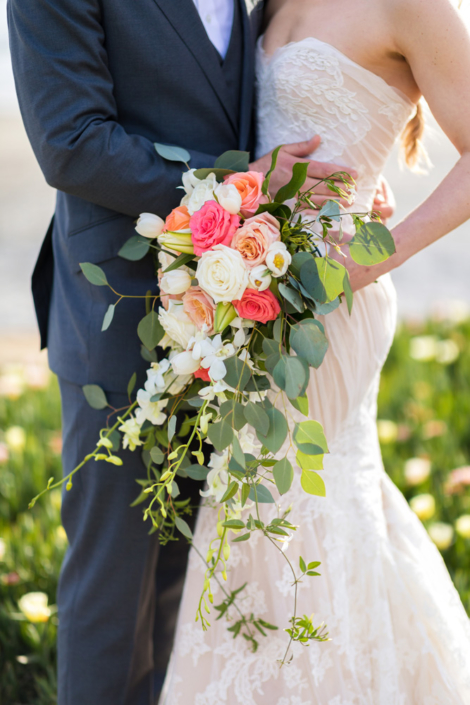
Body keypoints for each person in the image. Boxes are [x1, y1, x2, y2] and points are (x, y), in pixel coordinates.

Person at [7, 0, 393, 703]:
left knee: (188, 608)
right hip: (118, 320)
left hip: (242, 329)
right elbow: (71, 141)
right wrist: (247, 186)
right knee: (113, 605)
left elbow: (247, 96)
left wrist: (339, 180)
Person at [160, 0, 470, 702]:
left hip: (334, 306)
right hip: (254, 301)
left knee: (312, 500)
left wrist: (374, 254)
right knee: (255, 505)